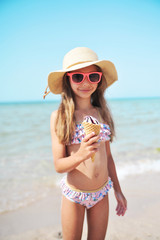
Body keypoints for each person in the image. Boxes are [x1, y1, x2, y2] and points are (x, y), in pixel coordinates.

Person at [44, 47, 127, 240]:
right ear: (68, 79)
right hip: (75, 195)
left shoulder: (101, 114)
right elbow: (58, 165)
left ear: (100, 80)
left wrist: (118, 190)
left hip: (101, 193)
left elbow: (108, 157)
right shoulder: (60, 117)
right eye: (78, 77)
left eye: (93, 77)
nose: (86, 83)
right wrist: (81, 154)